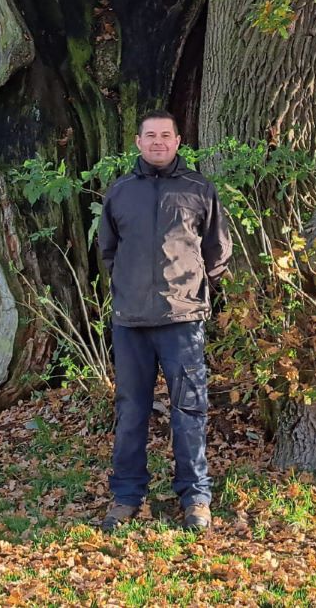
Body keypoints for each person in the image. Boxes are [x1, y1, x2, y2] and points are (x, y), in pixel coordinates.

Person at [96, 110, 232, 533]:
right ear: (138, 142)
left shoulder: (198, 190)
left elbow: (218, 252)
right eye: (150, 135)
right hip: (131, 321)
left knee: (189, 410)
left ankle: (195, 497)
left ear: (177, 141)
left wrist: (192, 289)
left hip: (183, 319)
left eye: (166, 135)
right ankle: (126, 495)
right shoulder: (119, 192)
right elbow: (108, 250)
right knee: (131, 411)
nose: (158, 142)